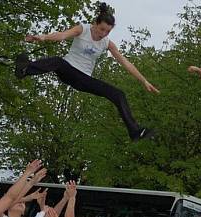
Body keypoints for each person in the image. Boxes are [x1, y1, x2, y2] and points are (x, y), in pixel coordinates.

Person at [15, 3, 157, 140]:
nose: (103, 34)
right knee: (58, 61)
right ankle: (25, 70)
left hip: (83, 80)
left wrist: (143, 80)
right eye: (102, 29)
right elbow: (62, 35)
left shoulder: (107, 43)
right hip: (68, 68)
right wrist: (44, 37)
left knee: (118, 94)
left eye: (108, 31)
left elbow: (125, 63)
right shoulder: (82, 29)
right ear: (95, 23)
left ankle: (135, 131)